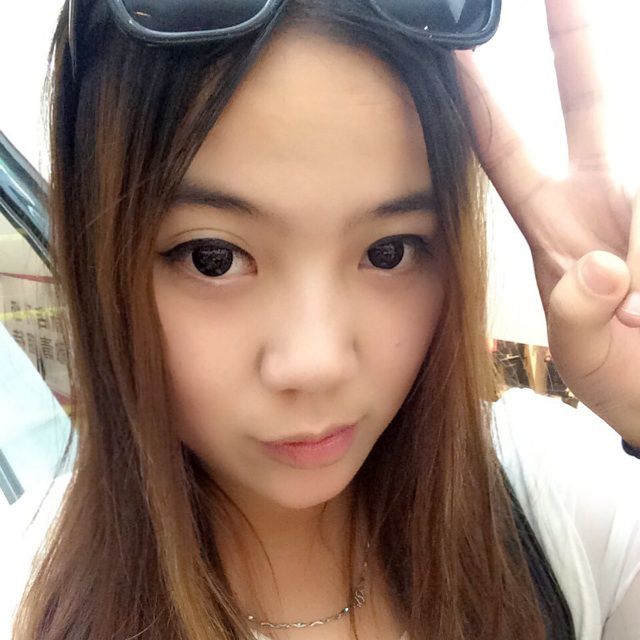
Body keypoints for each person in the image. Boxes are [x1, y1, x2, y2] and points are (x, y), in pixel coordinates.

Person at [10, 0, 640, 639]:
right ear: (100, 258)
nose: (316, 364)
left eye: (389, 251)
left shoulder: (556, 506)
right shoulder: (26, 599)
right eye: (213, 258)